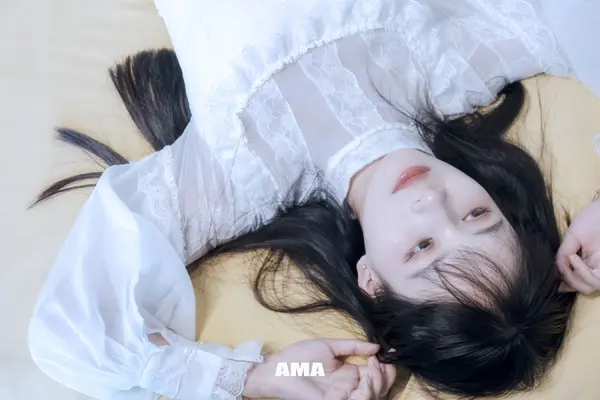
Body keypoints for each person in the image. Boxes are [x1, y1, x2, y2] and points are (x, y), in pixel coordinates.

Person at [28, 0, 600, 399]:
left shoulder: (238, 177)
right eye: (477, 215)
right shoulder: (455, 65)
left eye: (423, 248)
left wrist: (259, 376)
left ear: (371, 279)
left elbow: (72, 336)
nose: (432, 199)